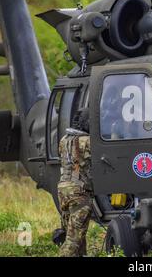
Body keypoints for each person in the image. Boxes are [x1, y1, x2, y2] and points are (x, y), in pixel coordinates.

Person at [57, 108, 93, 257]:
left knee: (75, 238)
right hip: (79, 192)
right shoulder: (87, 142)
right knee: (73, 241)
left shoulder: (64, 140)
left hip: (63, 190)